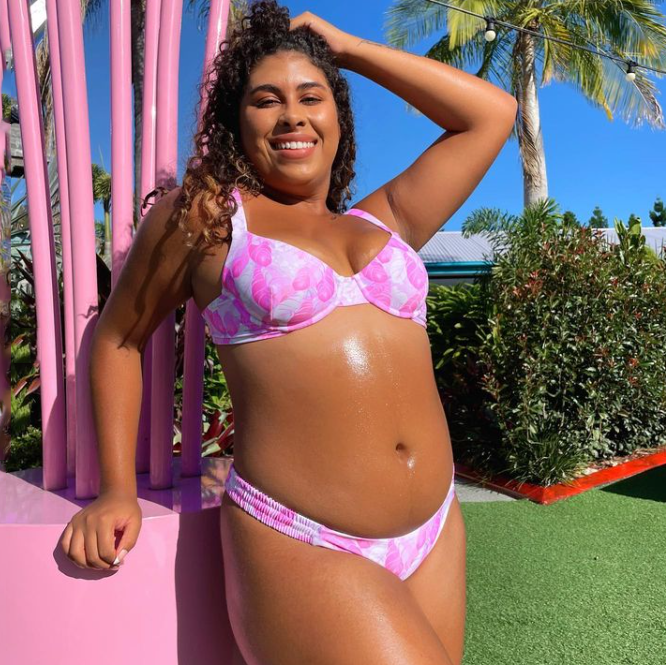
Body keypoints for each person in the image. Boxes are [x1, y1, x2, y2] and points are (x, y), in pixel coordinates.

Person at [60, 1, 517, 663]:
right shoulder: (210, 217)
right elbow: (119, 339)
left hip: (436, 527)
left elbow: (491, 114)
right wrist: (115, 490)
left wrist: (345, 48)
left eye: (311, 96)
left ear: (338, 116)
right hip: (303, 538)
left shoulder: (384, 219)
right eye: (266, 100)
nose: (292, 116)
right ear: (235, 120)